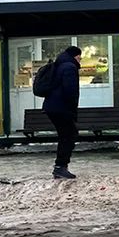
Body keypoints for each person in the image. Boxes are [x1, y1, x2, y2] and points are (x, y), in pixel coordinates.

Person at [42, 45, 82, 179]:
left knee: (66, 135)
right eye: (80, 57)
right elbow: (70, 91)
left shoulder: (59, 65)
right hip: (61, 108)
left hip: (53, 107)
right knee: (68, 135)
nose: (80, 60)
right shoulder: (69, 67)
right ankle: (60, 167)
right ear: (76, 56)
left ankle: (60, 166)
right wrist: (72, 109)